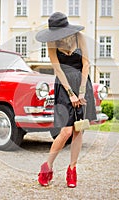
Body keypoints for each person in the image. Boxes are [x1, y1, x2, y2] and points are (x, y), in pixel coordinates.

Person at [35, 12, 97, 188]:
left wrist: (82, 92)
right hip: (64, 86)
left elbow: (86, 64)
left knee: (79, 130)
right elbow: (58, 70)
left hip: (82, 83)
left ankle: (72, 169)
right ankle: (47, 167)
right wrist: (71, 94)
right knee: (66, 131)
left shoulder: (79, 37)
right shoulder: (51, 43)